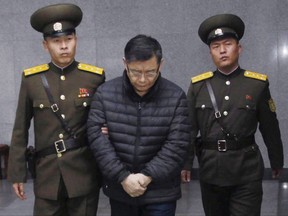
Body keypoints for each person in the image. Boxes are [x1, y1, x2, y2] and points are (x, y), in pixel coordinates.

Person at [181, 13, 284, 216]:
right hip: (211, 169)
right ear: (210, 52)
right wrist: (186, 163)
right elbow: (189, 129)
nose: (222, 50)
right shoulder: (198, 86)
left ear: (239, 48)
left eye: (227, 44)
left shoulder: (257, 84)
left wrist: (276, 160)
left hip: (246, 169)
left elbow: (270, 126)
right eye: (215, 47)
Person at [7, 3, 105, 216]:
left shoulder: (94, 78)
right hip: (47, 176)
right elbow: (20, 129)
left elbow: (103, 122)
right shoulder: (31, 80)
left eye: (68, 40)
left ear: (76, 40)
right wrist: (17, 173)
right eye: (56, 41)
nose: (63, 46)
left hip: (84, 174)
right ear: (45, 45)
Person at [87, 34, 191, 216]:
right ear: (124, 64)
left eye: (150, 72)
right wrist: (123, 177)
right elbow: (97, 140)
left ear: (161, 65)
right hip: (120, 190)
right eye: (135, 72)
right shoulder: (105, 94)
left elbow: (177, 144)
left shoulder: (175, 96)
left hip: (161, 191)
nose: (143, 80)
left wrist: (146, 176)